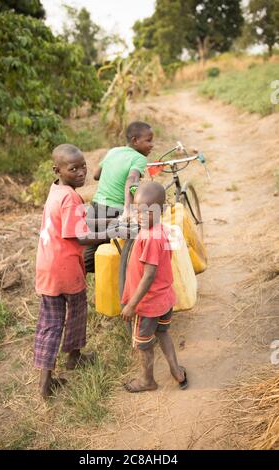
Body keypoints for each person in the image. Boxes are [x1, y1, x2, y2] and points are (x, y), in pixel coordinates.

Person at [34, 143, 109, 398]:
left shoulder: (56, 190)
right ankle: (74, 357)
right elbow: (78, 236)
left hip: (47, 266)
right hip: (65, 268)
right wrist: (108, 233)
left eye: (83, 166)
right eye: (73, 168)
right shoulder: (70, 196)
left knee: (50, 323)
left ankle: (45, 382)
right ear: (58, 170)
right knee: (76, 312)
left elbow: (73, 221)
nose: (81, 172)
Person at [121, 181, 188, 393]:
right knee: (164, 334)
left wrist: (132, 304)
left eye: (148, 212)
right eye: (138, 210)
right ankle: (177, 372)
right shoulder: (162, 230)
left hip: (147, 304)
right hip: (164, 298)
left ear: (162, 210)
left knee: (144, 344)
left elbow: (149, 275)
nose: (141, 216)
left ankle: (147, 380)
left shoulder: (149, 237)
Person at [84, 121, 154, 272]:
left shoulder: (113, 151)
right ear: (135, 140)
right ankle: (119, 283)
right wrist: (128, 209)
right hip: (115, 211)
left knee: (90, 256)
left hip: (96, 207)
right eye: (148, 140)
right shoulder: (139, 158)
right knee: (121, 254)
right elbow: (131, 180)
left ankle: (99, 281)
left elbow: (96, 175)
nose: (152, 145)